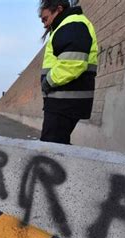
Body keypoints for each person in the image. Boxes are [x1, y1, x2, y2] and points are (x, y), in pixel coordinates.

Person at [39, 0, 98, 144]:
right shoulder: (70, 25)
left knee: (51, 147)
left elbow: (73, 63)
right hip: (64, 101)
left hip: (64, 101)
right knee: (58, 144)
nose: (45, 24)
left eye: (45, 19)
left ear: (58, 9)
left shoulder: (72, 24)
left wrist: (48, 82)